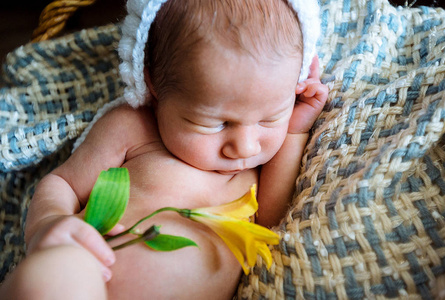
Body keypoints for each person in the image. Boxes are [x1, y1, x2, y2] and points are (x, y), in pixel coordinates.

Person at [0, 0, 328, 299]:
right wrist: (49, 223)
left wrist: (296, 129)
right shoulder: (133, 127)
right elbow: (65, 183)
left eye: (271, 117)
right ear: (155, 88)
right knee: (50, 280)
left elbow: (273, 217)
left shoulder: (256, 167)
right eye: (217, 123)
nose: (244, 146)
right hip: (90, 280)